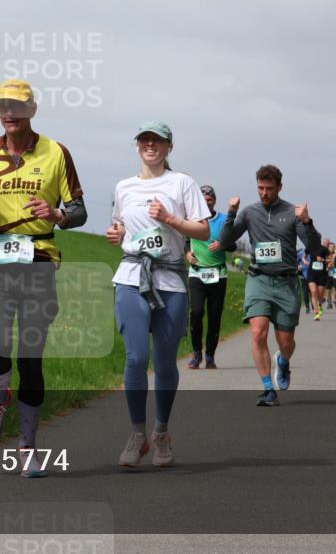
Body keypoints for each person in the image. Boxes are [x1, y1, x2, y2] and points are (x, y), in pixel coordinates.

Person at [0, 79, 87, 477]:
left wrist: (59, 216)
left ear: (32, 110)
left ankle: (28, 446)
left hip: (38, 259)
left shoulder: (56, 153)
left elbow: (79, 210)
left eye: (16, 106)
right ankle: (0, 400)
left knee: (30, 358)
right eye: (2, 106)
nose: (8, 113)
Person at [107, 121, 209, 467]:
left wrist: (170, 219)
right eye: (145, 140)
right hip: (131, 275)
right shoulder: (124, 187)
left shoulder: (182, 183)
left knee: (165, 363)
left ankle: (161, 431)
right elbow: (122, 228)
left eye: (158, 141)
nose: (151, 145)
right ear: (138, 146)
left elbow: (203, 229)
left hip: (170, 280)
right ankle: (138, 434)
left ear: (169, 147)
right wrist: (116, 234)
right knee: (136, 358)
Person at [221, 164, 321, 406]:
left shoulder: (292, 213)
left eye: (269, 188)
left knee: (286, 342)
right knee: (258, 332)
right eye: (260, 188)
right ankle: (268, 389)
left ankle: (283, 362)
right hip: (259, 279)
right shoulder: (249, 212)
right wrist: (231, 213)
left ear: (279, 187)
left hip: (286, 282)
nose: (264, 193)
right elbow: (225, 241)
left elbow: (315, 249)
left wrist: (307, 222)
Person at [185, 185, 237, 369]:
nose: (206, 202)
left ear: (214, 200)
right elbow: (185, 241)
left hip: (218, 274)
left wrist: (222, 244)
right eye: (203, 199)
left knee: (215, 316)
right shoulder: (191, 218)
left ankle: (210, 355)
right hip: (197, 273)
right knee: (196, 312)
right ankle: (196, 353)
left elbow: (233, 246)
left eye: (209, 199)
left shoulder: (223, 219)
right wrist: (187, 253)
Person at [307, 238, 330, 321]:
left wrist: (322, 260)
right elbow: (303, 256)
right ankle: (316, 313)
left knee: (320, 295)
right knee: (313, 292)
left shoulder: (324, 249)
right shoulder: (309, 247)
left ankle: (320, 305)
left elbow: (330, 260)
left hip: (321, 274)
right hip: (312, 273)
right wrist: (305, 262)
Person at [297, 247, 312, 315]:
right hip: (303, 274)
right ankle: (307, 307)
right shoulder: (300, 253)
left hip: (313, 274)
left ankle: (313, 303)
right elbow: (295, 262)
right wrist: (298, 266)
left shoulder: (314, 252)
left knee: (312, 291)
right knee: (305, 291)